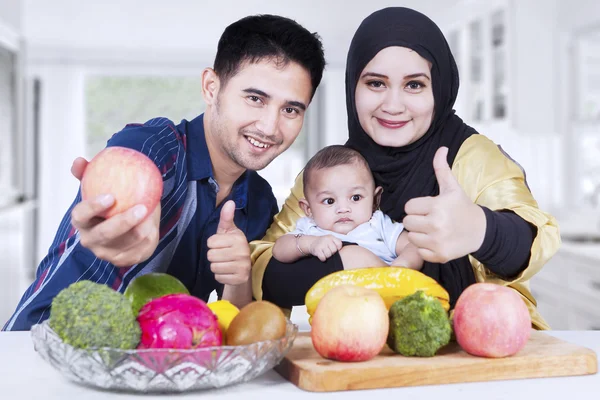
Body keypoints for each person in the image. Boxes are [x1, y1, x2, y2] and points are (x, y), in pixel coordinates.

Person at [4, 14, 326, 331]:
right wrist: (125, 231)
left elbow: (241, 328)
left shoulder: (258, 202)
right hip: (35, 348)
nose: (270, 126)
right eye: (255, 98)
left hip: (141, 371)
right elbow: (122, 197)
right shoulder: (154, 150)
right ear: (211, 88)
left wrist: (239, 279)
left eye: (290, 109)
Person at [250, 7, 560, 330]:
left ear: (438, 88)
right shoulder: (330, 174)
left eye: (414, 85)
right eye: (375, 83)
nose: (393, 105)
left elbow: (534, 243)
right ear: (352, 86)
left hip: (487, 350)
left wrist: (480, 229)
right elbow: (265, 270)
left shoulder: (471, 155)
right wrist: (348, 261)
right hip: (366, 356)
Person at [272, 145, 423, 270]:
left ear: (375, 199)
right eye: (329, 201)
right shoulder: (310, 229)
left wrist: (402, 265)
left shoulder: (378, 224)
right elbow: (279, 250)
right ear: (308, 209)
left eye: (355, 198)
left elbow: (413, 245)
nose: (343, 208)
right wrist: (310, 244)